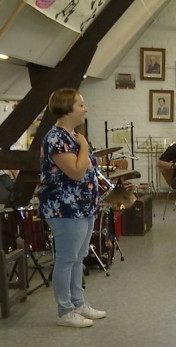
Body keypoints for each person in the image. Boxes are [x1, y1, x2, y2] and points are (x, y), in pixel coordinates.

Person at [39, 88, 107, 328]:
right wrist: (85, 146)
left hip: (83, 206)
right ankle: (65, 310)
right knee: (66, 259)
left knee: (79, 257)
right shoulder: (56, 138)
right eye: (81, 104)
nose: (85, 108)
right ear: (67, 109)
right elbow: (76, 172)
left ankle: (79, 303)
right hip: (64, 208)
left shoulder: (73, 136)